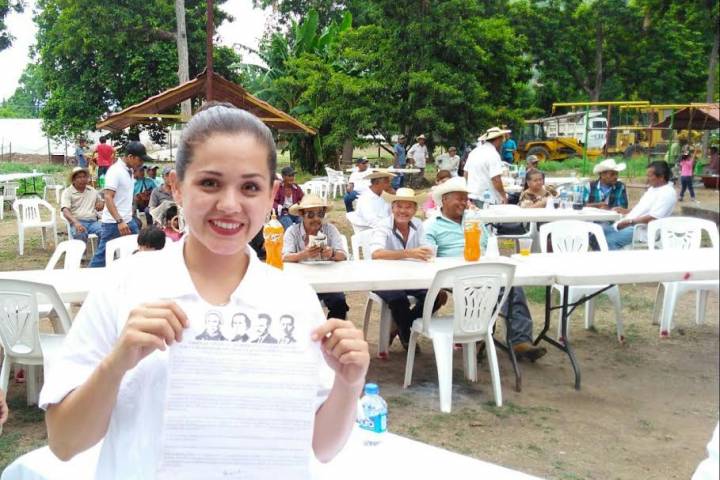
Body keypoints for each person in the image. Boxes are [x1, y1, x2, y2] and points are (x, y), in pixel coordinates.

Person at [40, 104, 368, 476]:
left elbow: (322, 446)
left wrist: (348, 382)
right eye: (210, 183)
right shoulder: (124, 285)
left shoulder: (294, 299)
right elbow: (64, 442)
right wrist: (116, 364)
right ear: (176, 186)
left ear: (272, 194)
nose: (229, 205)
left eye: (250, 187)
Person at [424, 177, 547, 361]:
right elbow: (430, 257)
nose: (464, 203)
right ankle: (478, 337)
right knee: (482, 290)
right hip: (456, 275)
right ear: (445, 200)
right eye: (459, 198)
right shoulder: (431, 225)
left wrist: (504, 253)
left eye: (466, 199)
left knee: (512, 285)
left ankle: (520, 341)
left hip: (485, 268)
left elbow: (489, 244)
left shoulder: (474, 219)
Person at [369, 187, 437, 350]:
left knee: (438, 295)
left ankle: (401, 326)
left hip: (411, 277)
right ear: (392, 208)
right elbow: (376, 254)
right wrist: (409, 253)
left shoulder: (418, 224)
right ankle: (406, 333)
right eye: (399, 206)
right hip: (385, 278)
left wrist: (426, 251)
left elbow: (426, 247)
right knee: (399, 300)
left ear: (415, 210)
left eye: (408, 207)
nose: (403, 211)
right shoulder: (383, 225)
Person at [282, 194, 350, 320]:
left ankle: (330, 331)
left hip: (327, 281)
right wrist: (304, 254)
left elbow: (343, 255)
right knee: (298, 306)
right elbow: (285, 257)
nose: (316, 219)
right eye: (311, 215)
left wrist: (331, 253)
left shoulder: (330, 229)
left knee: (339, 302)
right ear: (302, 215)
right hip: (301, 282)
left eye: (320, 214)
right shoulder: (292, 231)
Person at [89, 141, 150, 268]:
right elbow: (108, 197)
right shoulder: (115, 171)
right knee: (101, 258)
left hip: (128, 220)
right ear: (130, 157)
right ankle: (88, 277)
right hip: (114, 223)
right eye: (140, 160)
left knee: (138, 249)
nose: (141, 163)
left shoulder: (129, 171)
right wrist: (119, 221)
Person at [602, 161, 676, 250]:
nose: (647, 179)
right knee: (597, 232)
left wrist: (630, 222)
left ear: (661, 177)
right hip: (631, 225)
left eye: (649, 176)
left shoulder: (667, 193)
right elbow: (643, 210)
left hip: (642, 230)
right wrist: (625, 211)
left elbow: (653, 217)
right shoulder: (653, 189)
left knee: (608, 241)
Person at [465, 127, 511, 206]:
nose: (502, 142)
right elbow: (496, 179)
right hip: (487, 199)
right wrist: (503, 196)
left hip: (472, 196)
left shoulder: (474, 152)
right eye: (502, 139)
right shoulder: (493, 154)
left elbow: (466, 173)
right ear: (498, 139)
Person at [60, 167, 103, 243]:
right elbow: (65, 210)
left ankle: (100, 251)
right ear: (73, 180)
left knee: (106, 231)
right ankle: (81, 251)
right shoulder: (67, 192)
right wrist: (76, 222)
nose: (82, 179)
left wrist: (101, 203)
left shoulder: (92, 190)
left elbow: (101, 202)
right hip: (78, 221)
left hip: (93, 222)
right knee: (80, 233)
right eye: (79, 177)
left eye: (84, 177)